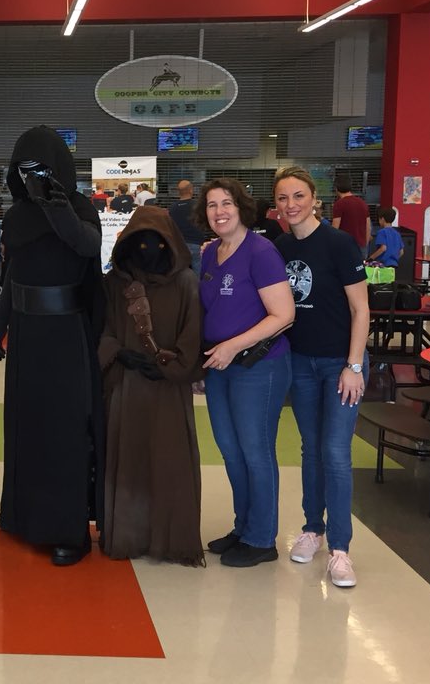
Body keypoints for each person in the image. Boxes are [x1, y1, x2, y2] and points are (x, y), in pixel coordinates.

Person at [0, 125, 105, 566]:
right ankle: (23, 517)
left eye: (39, 167)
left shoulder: (79, 207)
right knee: (27, 426)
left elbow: (87, 246)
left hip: (66, 332)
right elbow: (12, 273)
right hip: (26, 333)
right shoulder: (17, 215)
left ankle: (68, 530)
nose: (31, 176)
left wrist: (57, 207)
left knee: (66, 430)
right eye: (23, 169)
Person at [274, 166, 369, 588]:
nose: (291, 204)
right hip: (301, 363)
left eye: (298, 196)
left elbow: (361, 309)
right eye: (282, 198)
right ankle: (312, 528)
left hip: (340, 364)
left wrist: (354, 365)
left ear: (315, 199)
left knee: (335, 451)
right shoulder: (279, 248)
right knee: (310, 449)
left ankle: (341, 549)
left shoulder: (339, 244)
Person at [98, 206, 205, 565]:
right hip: (126, 387)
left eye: (157, 244)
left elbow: (193, 333)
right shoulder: (116, 284)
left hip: (168, 390)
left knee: (168, 461)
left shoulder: (186, 282)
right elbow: (103, 328)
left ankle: (171, 540)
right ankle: (128, 535)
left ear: (169, 243)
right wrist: (119, 353)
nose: (149, 251)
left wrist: (173, 367)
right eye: (140, 244)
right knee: (129, 461)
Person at [196, 179, 294, 568]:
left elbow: (283, 315)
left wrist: (233, 345)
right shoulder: (210, 253)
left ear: (241, 207)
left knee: (256, 451)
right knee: (231, 450)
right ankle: (244, 527)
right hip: (220, 367)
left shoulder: (261, 252)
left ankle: (261, 539)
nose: (219, 212)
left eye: (227, 203)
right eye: (211, 205)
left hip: (259, 367)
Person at [168, 179, 205, 273]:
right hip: (195, 243)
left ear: (179, 192)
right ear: (191, 190)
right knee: (197, 268)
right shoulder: (197, 206)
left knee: (180, 271)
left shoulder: (173, 208)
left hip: (178, 244)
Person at [331, 174, 370, 251]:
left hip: (345, 246)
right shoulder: (362, 203)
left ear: (336, 188)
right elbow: (368, 226)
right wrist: (365, 244)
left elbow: (335, 229)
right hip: (361, 246)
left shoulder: (339, 204)